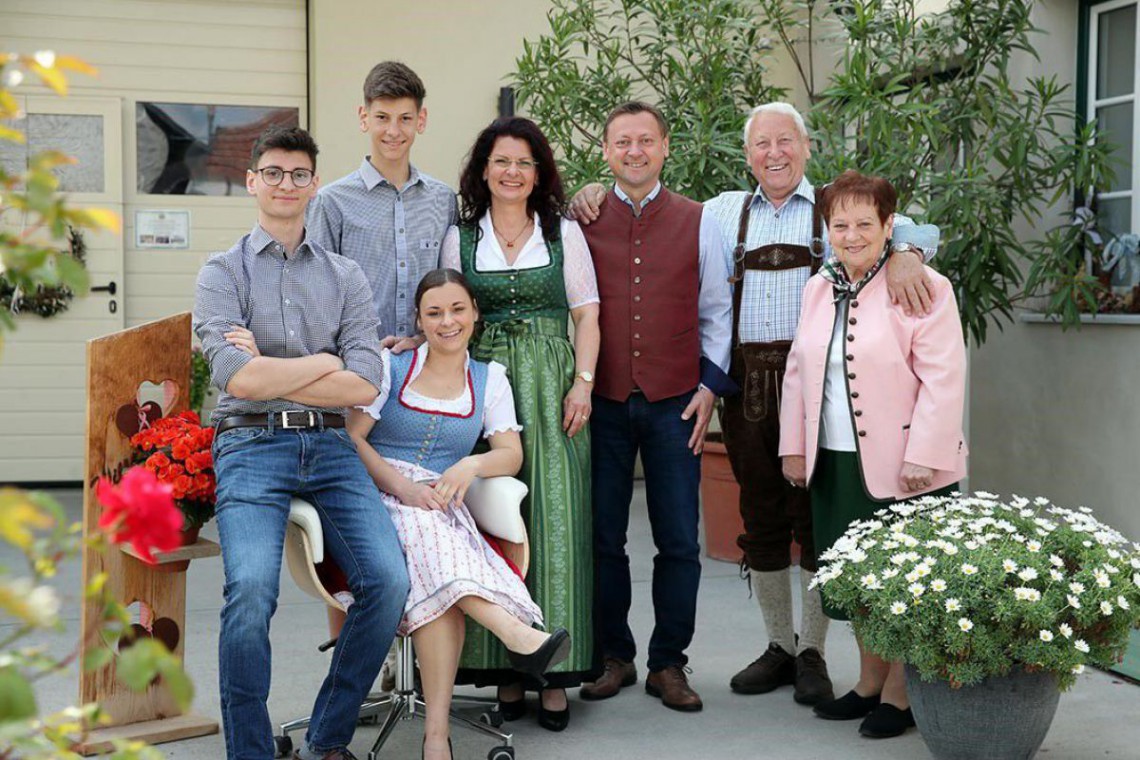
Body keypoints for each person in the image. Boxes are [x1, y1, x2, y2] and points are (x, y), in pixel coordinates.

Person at [570, 101, 938, 706]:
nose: (774, 153)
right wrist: (589, 192)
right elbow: (636, 208)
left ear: (806, 148)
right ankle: (778, 646)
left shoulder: (835, 211)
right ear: (747, 156)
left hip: (822, 393)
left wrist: (907, 253)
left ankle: (814, 650)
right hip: (748, 391)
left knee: (814, 521)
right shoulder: (718, 213)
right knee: (760, 518)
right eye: (762, 144)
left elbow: (910, 226)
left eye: (785, 142)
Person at [193, 125, 409, 760]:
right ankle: (252, 751)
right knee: (252, 590)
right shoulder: (221, 270)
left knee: (388, 583)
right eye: (273, 173)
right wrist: (324, 362)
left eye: (298, 174)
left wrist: (286, 367)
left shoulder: (346, 277)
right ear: (253, 180)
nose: (286, 184)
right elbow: (239, 378)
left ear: (314, 184)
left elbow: (365, 383)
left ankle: (328, 734)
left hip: (332, 448)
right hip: (250, 445)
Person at [347, 269, 572, 760]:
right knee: (426, 525)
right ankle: (515, 632)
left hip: (442, 504)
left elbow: (509, 454)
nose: (447, 321)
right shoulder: (393, 366)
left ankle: (436, 737)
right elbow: (353, 436)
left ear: (475, 315)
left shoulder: (489, 379)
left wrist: (470, 463)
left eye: (457, 310)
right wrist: (404, 487)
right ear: (420, 321)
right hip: (378, 496)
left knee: (438, 577)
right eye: (434, 313)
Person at [780, 170, 967, 739]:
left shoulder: (924, 285)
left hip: (907, 467)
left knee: (903, 584)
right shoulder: (820, 285)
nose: (852, 234)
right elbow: (797, 371)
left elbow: (944, 377)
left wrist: (925, 454)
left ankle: (901, 693)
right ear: (826, 229)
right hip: (834, 460)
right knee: (857, 582)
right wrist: (793, 447)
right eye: (840, 224)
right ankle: (866, 682)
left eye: (866, 223)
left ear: (891, 226)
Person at [572, 101, 735, 713]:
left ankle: (670, 662)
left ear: (666, 147)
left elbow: (717, 312)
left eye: (646, 141)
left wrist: (708, 389)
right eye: (622, 142)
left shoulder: (699, 221)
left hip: (675, 405)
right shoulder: (580, 220)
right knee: (604, 539)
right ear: (607, 151)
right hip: (605, 404)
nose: (634, 151)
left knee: (679, 542)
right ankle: (616, 654)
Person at [439, 116, 599, 731]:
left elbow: (587, 315)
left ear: (539, 174)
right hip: (482, 386)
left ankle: (552, 675)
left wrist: (583, 384)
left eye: (524, 163)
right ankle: (504, 668)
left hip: (552, 384)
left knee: (555, 522)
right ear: (484, 169)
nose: (512, 172)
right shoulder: (460, 237)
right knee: (489, 520)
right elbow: (447, 313)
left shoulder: (563, 233)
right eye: (501, 161)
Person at [309, 60, 457, 349]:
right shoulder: (331, 202)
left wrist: (423, 339)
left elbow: (451, 286)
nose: (393, 131)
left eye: (405, 118)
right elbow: (318, 293)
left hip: (428, 361)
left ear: (421, 119)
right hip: (357, 365)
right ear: (364, 117)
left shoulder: (443, 200)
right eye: (382, 117)